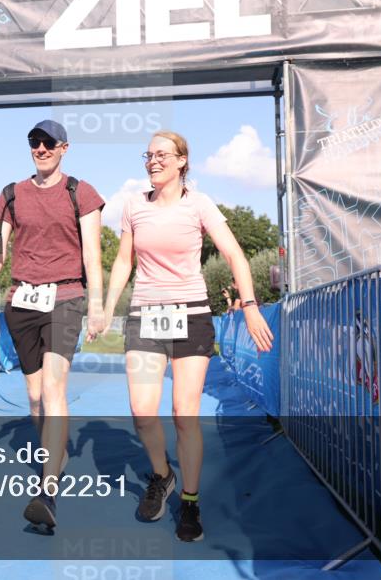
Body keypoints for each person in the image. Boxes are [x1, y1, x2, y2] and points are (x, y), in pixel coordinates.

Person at [102, 131, 274, 542]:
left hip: (191, 315)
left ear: (182, 161)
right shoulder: (133, 206)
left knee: (183, 414)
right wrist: (106, 308)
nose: (153, 160)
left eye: (162, 154)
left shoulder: (199, 204)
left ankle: (191, 503)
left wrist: (249, 307)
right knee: (143, 412)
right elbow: (124, 260)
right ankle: (163, 475)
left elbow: (234, 254)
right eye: (148, 155)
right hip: (145, 316)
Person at [0, 119, 105, 530]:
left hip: (66, 296)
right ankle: (54, 450)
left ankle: (47, 491)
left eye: (48, 143)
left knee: (52, 388)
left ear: (64, 148)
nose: (40, 148)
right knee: (32, 396)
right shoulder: (11, 194)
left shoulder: (82, 192)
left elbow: (93, 255)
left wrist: (96, 305)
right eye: (34, 142)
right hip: (21, 301)